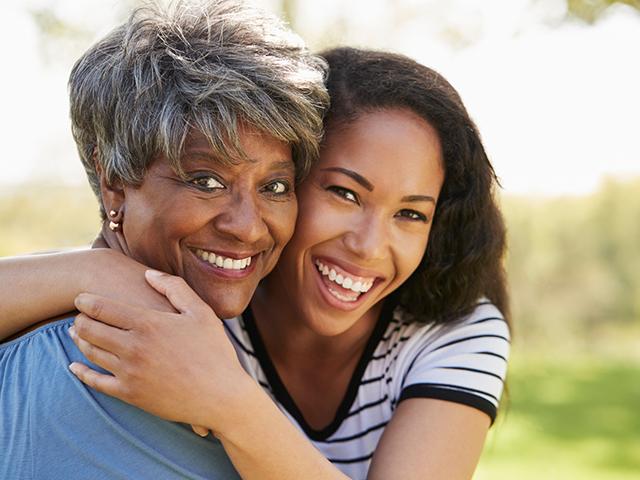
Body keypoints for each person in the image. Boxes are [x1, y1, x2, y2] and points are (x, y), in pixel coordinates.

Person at [1, 45, 510, 479]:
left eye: (410, 214)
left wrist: (227, 400)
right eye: (344, 193)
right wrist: (99, 272)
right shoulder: (221, 283)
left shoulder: (455, 333)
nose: (370, 246)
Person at [0, 0, 329, 478]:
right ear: (114, 180)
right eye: (205, 181)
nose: (249, 226)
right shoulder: (98, 368)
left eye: (275, 187)